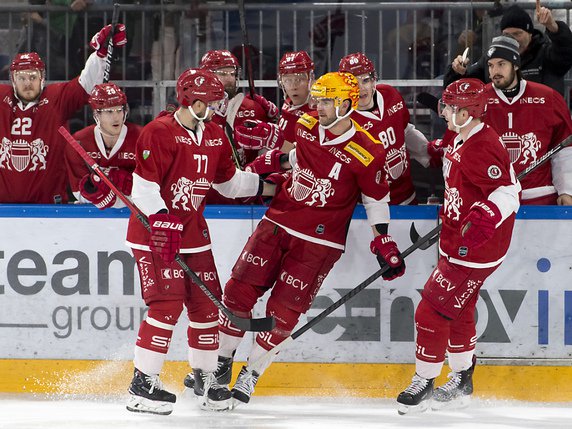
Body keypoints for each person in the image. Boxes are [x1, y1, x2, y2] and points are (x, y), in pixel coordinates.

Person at [211, 72, 406, 406]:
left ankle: (252, 372)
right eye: (319, 99)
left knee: (285, 312)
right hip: (277, 224)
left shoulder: (369, 149)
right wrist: (265, 169)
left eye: (328, 100)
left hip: (319, 243)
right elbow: (290, 158)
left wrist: (383, 240)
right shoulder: (304, 124)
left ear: (347, 103)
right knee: (238, 292)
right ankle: (221, 364)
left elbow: (375, 200)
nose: (320, 105)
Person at [124, 68, 275, 415]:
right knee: (166, 304)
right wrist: (161, 218)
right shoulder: (158, 132)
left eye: (213, 100)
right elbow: (143, 188)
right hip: (155, 237)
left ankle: (204, 379)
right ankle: (142, 384)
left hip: (193, 235)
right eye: (202, 100)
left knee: (207, 307)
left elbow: (230, 183)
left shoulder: (215, 135)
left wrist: (270, 188)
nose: (208, 106)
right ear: (186, 98)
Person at [396, 78, 521, 414]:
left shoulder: (484, 146)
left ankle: (425, 380)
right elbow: (450, 155)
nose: (445, 112)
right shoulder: (461, 135)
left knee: (431, 311)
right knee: (459, 310)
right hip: (456, 240)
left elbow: (510, 191)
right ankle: (463, 377)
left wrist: (489, 212)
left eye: (451, 107)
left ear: (469, 112)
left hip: (477, 248)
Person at [0, 23, 127, 204]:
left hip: (51, 210)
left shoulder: (56, 98)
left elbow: (87, 83)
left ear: (42, 78)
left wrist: (100, 55)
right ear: (12, 80)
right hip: (3, 212)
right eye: (21, 78)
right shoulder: (1, 99)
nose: (27, 83)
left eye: (33, 77)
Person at [482, 35, 572, 205]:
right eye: (491, 65)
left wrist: (567, 190)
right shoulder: (479, 100)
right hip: (493, 199)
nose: (495, 71)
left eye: (501, 64)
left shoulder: (548, 98)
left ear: (515, 65)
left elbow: (564, 148)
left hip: (539, 197)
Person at [338, 52, 430, 205]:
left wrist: (429, 154)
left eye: (365, 80)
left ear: (374, 79)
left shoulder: (390, 94)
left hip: (406, 196)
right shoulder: (342, 119)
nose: (360, 88)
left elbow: (405, 130)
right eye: (352, 83)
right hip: (368, 207)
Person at [444, 4, 572, 95]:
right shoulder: (491, 58)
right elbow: (459, 87)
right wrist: (457, 72)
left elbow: (566, 51)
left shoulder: (546, 53)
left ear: (530, 34)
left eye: (517, 34)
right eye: (507, 34)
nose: (513, 39)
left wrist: (553, 26)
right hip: (502, 124)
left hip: (540, 123)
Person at [199, 49, 279, 167]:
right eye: (222, 73)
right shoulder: (195, 112)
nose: (230, 79)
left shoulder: (252, 108)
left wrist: (277, 122)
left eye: (232, 74)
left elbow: (276, 153)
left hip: (247, 181)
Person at [65, 83, 140, 209]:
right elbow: (79, 192)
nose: (116, 117)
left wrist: (106, 199)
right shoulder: (78, 142)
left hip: (133, 218)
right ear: (96, 115)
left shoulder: (142, 139)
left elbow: (150, 188)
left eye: (119, 110)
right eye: (109, 111)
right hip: (95, 221)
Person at [234, 50, 315, 157]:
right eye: (287, 80)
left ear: (311, 79)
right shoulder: (289, 103)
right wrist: (273, 119)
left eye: (299, 79)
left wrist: (275, 140)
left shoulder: (318, 112)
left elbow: (313, 159)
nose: (293, 86)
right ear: (281, 81)